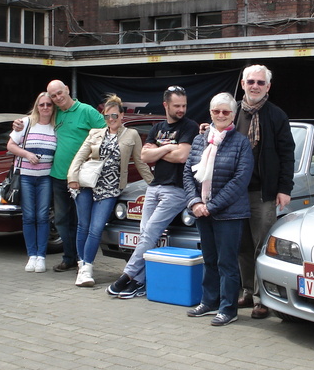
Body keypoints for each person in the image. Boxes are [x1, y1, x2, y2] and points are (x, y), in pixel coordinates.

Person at [107, 85, 199, 299]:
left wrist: (158, 151)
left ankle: (127, 276)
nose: (181, 109)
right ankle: (140, 282)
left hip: (176, 190)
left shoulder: (190, 126)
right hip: (154, 186)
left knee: (150, 233)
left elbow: (182, 157)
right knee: (145, 234)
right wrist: (168, 148)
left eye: (184, 105)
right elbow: (145, 157)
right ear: (166, 105)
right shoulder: (157, 127)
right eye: (177, 105)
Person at [13, 80, 105, 273]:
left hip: (81, 177)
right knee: (62, 220)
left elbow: (106, 133)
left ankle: (84, 260)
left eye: (59, 93)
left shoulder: (86, 111)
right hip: (57, 175)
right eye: (53, 96)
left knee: (81, 221)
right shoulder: (56, 113)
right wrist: (19, 124)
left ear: (67, 90)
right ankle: (69, 257)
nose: (57, 98)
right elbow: (37, 116)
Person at [68, 94, 153, 287]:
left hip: (111, 187)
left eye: (115, 115)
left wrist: (154, 183)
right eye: (107, 116)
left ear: (122, 115)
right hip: (87, 184)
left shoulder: (131, 135)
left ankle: (86, 266)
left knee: (97, 228)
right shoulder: (95, 133)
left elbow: (140, 162)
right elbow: (80, 157)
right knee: (83, 226)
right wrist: (72, 178)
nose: (111, 120)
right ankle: (83, 267)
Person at [183, 93, 253, 326]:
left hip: (229, 214)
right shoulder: (199, 140)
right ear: (210, 113)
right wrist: (195, 203)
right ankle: (209, 301)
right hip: (202, 211)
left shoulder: (241, 142)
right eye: (216, 111)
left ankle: (228, 308)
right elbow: (188, 174)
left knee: (227, 263)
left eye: (226, 112)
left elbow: (240, 180)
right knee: (209, 259)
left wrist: (211, 206)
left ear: (233, 114)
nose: (221, 115)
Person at [234, 65, 295, 320]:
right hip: (235, 193)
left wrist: (284, 189)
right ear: (243, 84)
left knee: (262, 246)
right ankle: (247, 291)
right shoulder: (232, 112)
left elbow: (287, 154)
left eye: (261, 82)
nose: (255, 86)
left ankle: (263, 299)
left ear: (268, 87)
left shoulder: (276, 115)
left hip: (264, 193)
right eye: (251, 81)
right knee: (242, 246)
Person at [7, 92, 57, 273]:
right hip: (26, 176)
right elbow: (10, 145)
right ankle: (32, 255)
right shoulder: (26, 123)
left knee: (43, 216)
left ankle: (41, 256)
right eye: (41, 104)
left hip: (45, 177)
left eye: (49, 105)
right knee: (28, 216)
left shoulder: (56, 126)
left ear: (53, 108)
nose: (45, 108)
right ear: (37, 106)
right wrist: (27, 154)